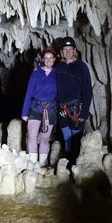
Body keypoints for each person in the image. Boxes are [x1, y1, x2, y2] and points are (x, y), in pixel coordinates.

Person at [56, 37, 92, 165]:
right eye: (65, 50)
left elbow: (87, 90)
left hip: (77, 109)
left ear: (74, 50)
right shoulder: (58, 66)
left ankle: (74, 166)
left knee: (76, 140)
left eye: (70, 49)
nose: (67, 52)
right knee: (66, 138)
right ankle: (66, 165)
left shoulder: (81, 67)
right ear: (61, 51)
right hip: (62, 109)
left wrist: (85, 112)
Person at [21, 47, 57, 167]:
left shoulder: (57, 74)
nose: (48, 60)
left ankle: (41, 165)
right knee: (32, 136)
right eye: (46, 58)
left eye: (50, 58)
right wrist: (24, 113)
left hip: (50, 108)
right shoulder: (36, 74)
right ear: (42, 59)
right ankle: (32, 164)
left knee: (45, 138)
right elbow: (28, 93)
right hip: (35, 107)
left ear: (54, 59)